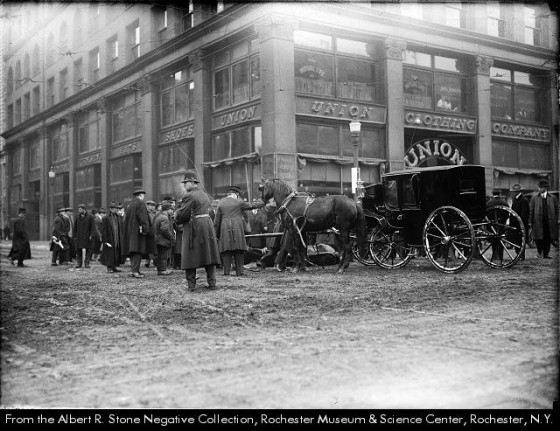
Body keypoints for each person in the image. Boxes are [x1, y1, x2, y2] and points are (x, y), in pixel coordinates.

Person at [174, 170, 220, 292]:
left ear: (192, 182)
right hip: (207, 226)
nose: (184, 185)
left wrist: (176, 217)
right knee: (208, 254)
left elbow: (183, 215)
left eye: (185, 183)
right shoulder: (204, 194)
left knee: (190, 255)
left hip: (194, 227)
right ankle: (212, 284)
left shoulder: (189, 196)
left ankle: (191, 286)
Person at [214, 185, 264, 276]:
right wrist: (263, 202)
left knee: (226, 251)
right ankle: (239, 272)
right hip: (237, 227)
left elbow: (217, 222)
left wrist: (216, 235)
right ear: (236, 194)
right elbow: (252, 205)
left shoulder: (220, 203)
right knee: (239, 250)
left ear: (228, 194)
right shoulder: (239, 202)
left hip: (225, 228)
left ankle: (226, 272)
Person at [123, 189, 156, 278]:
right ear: (141, 195)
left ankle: (133, 270)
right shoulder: (140, 203)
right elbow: (143, 218)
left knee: (133, 251)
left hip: (131, 232)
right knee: (138, 250)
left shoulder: (131, 204)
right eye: (143, 195)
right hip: (138, 232)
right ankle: (135, 271)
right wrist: (146, 230)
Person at [529, 179, 559, 259]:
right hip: (538, 222)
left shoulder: (553, 198)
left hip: (549, 222)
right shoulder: (534, 198)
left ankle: (546, 254)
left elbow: (557, 210)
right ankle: (539, 253)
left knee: (548, 238)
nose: (539, 189)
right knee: (538, 239)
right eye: (539, 187)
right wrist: (530, 221)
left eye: (540, 187)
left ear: (545, 188)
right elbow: (531, 211)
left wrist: (557, 219)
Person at [100, 202, 124, 273]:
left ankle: (114, 267)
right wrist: (105, 241)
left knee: (116, 252)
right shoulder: (106, 218)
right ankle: (109, 267)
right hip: (110, 238)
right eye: (115, 208)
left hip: (117, 238)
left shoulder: (119, 217)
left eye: (117, 208)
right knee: (109, 253)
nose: (116, 210)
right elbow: (104, 230)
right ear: (111, 209)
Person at [153, 203, 175, 275]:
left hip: (158, 239)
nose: (172, 211)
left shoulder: (159, 216)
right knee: (163, 255)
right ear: (167, 210)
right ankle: (162, 270)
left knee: (160, 255)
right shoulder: (165, 218)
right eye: (171, 209)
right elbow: (164, 229)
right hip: (163, 240)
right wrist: (171, 237)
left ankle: (161, 269)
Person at [509, 184, 530, 260]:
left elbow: (524, 214)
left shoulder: (523, 200)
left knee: (521, 240)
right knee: (516, 240)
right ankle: (518, 254)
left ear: (518, 191)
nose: (514, 193)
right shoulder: (515, 199)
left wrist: (520, 224)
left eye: (515, 191)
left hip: (521, 224)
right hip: (515, 224)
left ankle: (521, 255)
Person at [487, 193, 508, 262]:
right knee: (501, 240)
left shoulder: (489, 203)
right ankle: (500, 256)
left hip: (492, 224)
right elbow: (507, 214)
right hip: (501, 224)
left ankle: (495, 255)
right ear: (499, 194)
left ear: (493, 194)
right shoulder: (504, 203)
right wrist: (503, 220)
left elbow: (486, 214)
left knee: (494, 240)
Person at [73, 203, 95, 269]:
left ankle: (87, 263)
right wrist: (74, 236)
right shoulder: (77, 216)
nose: (79, 211)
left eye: (80, 209)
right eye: (78, 209)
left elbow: (93, 227)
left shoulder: (90, 217)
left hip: (87, 236)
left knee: (88, 250)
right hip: (79, 236)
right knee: (78, 250)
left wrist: (91, 235)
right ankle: (79, 263)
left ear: (84, 209)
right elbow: (75, 227)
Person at [145, 200, 158, 268]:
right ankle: (148, 260)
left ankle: (152, 260)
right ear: (147, 205)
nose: (152, 207)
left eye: (153, 206)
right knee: (148, 246)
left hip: (154, 231)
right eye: (151, 205)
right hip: (148, 231)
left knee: (153, 247)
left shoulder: (156, 213)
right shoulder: (145, 213)